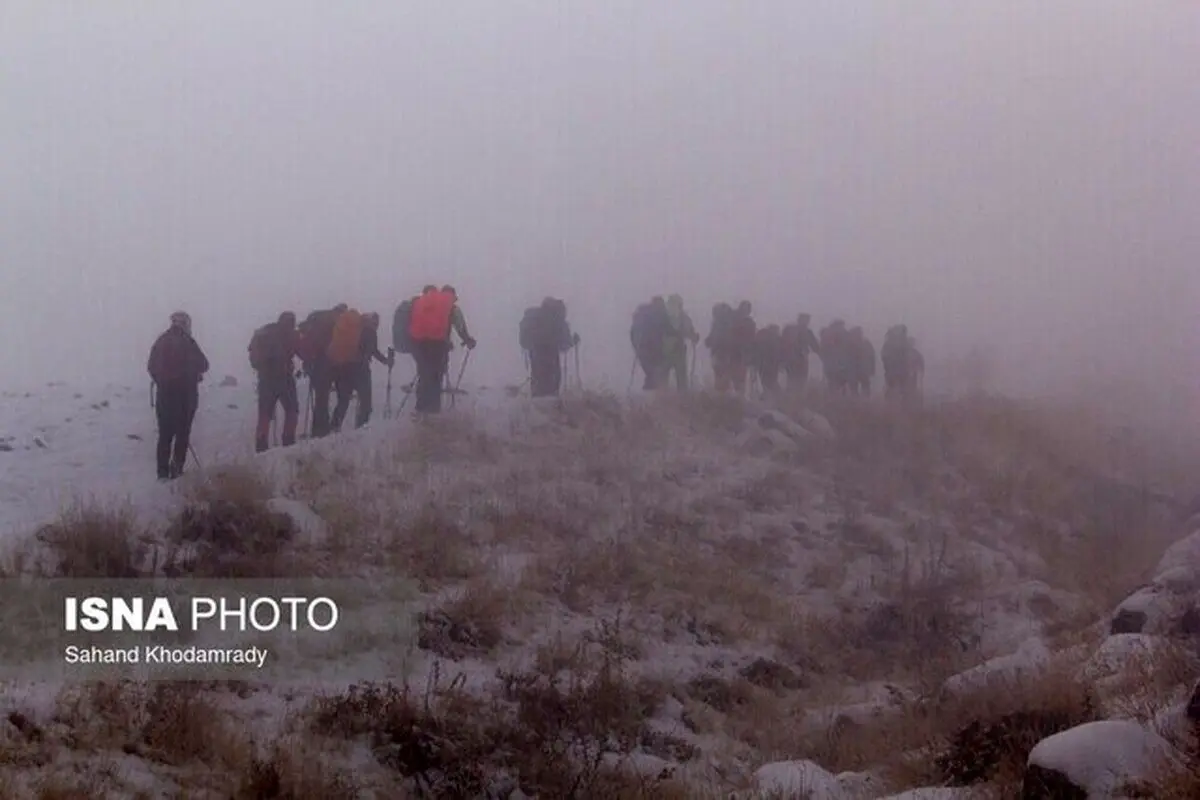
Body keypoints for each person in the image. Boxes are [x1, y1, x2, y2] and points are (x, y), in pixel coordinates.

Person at [147, 311, 209, 480]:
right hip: (186, 397)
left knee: (165, 435)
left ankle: (162, 473)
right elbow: (204, 364)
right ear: (185, 324)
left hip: (164, 396)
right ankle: (177, 470)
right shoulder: (188, 342)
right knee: (182, 434)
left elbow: (151, 366)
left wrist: (164, 382)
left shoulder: (161, 341)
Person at [408, 285, 475, 413]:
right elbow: (459, 325)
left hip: (417, 343)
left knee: (424, 373)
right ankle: (433, 409)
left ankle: (420, 407)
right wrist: (467, 340)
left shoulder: (422, 302)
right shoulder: (450, 306)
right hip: (437, 345)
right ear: (452, 295)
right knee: (436, 375)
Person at [248, 311, 300, 453]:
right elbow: (301, 350)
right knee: (292, 411)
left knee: (264, 415)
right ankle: (288, 443)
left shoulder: (266, 333)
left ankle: (261, 446)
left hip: (265, 380)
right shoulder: (289, 334)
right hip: (284, 379)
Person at [296, 303, 347, 438]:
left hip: (315, 363)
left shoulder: (318, 319)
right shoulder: (333, 322)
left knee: (321, 398)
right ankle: (325, 430)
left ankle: (318, 431)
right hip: (328, 363)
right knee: (327, 398)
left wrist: (308, 362)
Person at [338, 311, 391, 428]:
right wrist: (386, 361)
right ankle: (361, 427)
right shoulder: (370, 331)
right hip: (361, 369)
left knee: (343, 400)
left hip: (345, 367)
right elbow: (373, 350)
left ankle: (335, 426)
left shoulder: (355, 330)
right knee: (366, 402)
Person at [521, 297, 577, 398]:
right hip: (551, 355)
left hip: (536, 354)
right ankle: (550, 405)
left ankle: (537, 405)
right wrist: (573, 341)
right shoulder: (556, 320)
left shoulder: (537, 320)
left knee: (538, 379)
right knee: (552, 381)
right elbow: (565, 343)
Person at [630, 297, 671, 390]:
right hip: (653, 348)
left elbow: (633, 334)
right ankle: (655, 392)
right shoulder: (658, 315)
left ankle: (652, 391)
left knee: (652, 372)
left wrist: (636, 346)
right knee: (655, 372)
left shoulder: (642, 315)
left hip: (644, 348)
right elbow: (668, 329)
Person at [663, 294, 700, 390]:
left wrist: (693, 336)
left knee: (677, 377)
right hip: (672, 351)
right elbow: (689, 331)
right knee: (679, 377)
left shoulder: (679, 317)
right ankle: (676, 399)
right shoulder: (680, 317)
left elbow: (689, 331)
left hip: (671, 351)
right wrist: (693, 336)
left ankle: (665, 399)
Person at [781, 313, 821, 394]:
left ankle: (790, 399)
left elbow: (782, 344)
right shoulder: (807, 332)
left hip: (791, 360)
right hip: (801, 360)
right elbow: (815, 347)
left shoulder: (790, 330)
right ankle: (796, 399)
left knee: (792, 380)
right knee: (800, 381)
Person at [728, 301, 757, 395]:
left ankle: (737, 396)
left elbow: (752, 339)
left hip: (739, 353)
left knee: (739, 377)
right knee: (734, 376)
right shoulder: (733, 320)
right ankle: (734, 396)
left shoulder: (748, 323)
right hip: (734, 352)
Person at [705, 302, 736, 392]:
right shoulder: (723, 323)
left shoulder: (721, 324)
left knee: (721, 374)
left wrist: (709, 341)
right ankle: (723, 395)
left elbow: (717, 337)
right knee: (722, 374)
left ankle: (722, 394)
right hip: (722, 353)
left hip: (721, 352)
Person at [752, 323, 784, 396]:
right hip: (769, 363)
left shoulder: (769, 338)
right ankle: (775, 395)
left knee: (767, 381)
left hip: (766, 363)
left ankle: (772, 395)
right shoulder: (776, 339)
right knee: (769, 381)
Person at [881, 324, 912, 399]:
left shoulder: (901, 342)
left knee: (897, 387)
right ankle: (893, 403)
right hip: (896, 369)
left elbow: (884, 355)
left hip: (898, 369)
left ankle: (894, 403)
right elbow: (884, 355)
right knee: (895, 387)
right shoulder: (894, 342)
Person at [849, 326, 876, 397]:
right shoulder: (866, 343)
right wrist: (872, 369)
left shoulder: (850, 344)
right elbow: (872, 357)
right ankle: (864, 403)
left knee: (855, 388)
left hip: (855, 370)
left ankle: (856, 403)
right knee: (864, 387)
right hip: (863, 370)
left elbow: (872, 357)